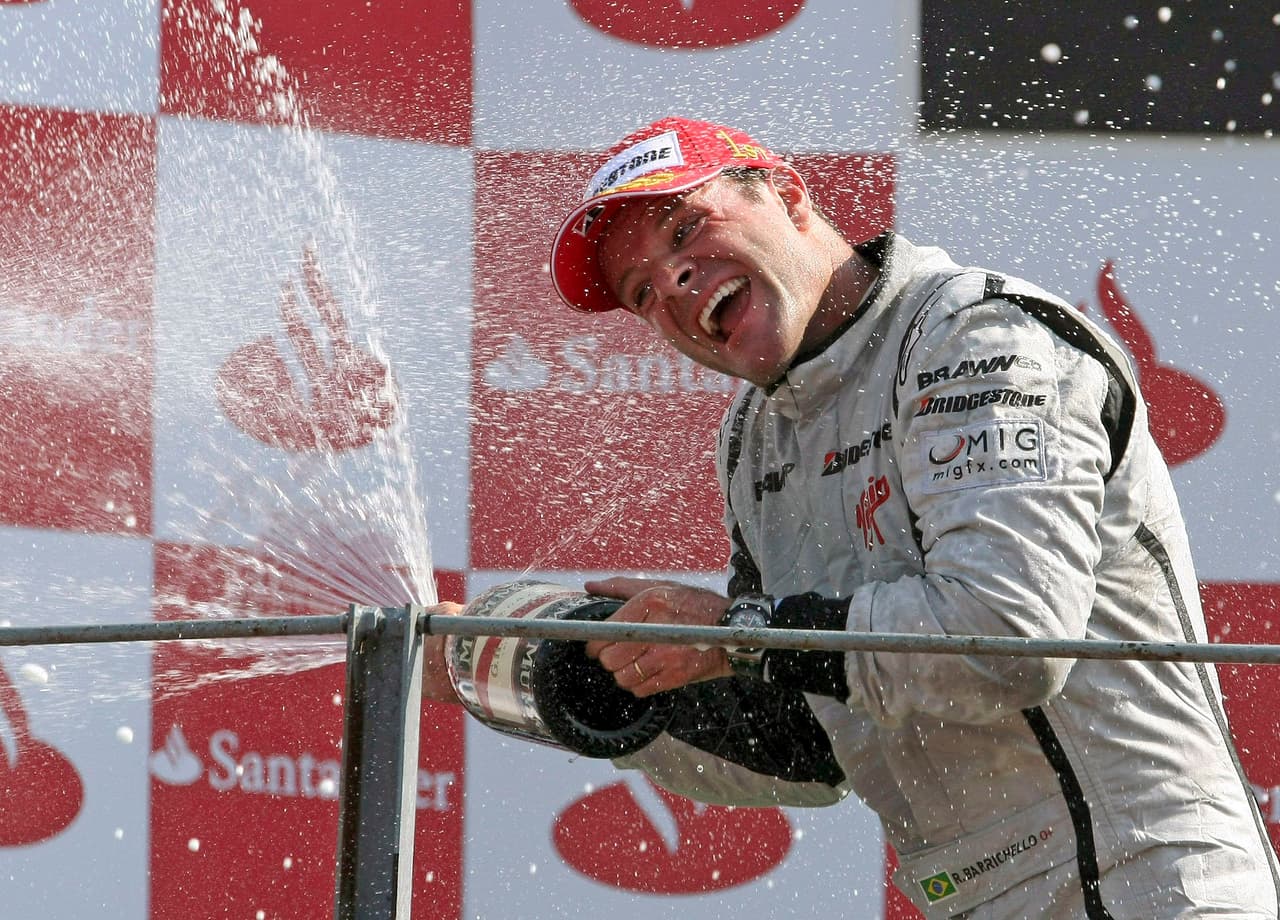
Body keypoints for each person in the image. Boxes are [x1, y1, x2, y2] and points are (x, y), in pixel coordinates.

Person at [423, 117, 1280, 918]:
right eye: (642, 291)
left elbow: (1010, 639)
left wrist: (738, 635)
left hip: (1151, 882)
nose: (673, 283)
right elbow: (806, 743)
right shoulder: (756, 436)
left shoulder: (973, 337)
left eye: (686, 230)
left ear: (789, 194)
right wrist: (593, 682)